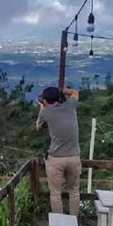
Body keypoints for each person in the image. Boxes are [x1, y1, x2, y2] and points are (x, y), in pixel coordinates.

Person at [36, 87, 81, 216]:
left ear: (44, 101)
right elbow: (75, 92)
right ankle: (74, 222)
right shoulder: (71, 105)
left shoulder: (46, 112)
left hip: (55, 159)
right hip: (73, 157)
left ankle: (59, 225)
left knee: (56, 193)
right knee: (74, 191)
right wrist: (61, 90)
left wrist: (41, 108)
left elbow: (38, 127)